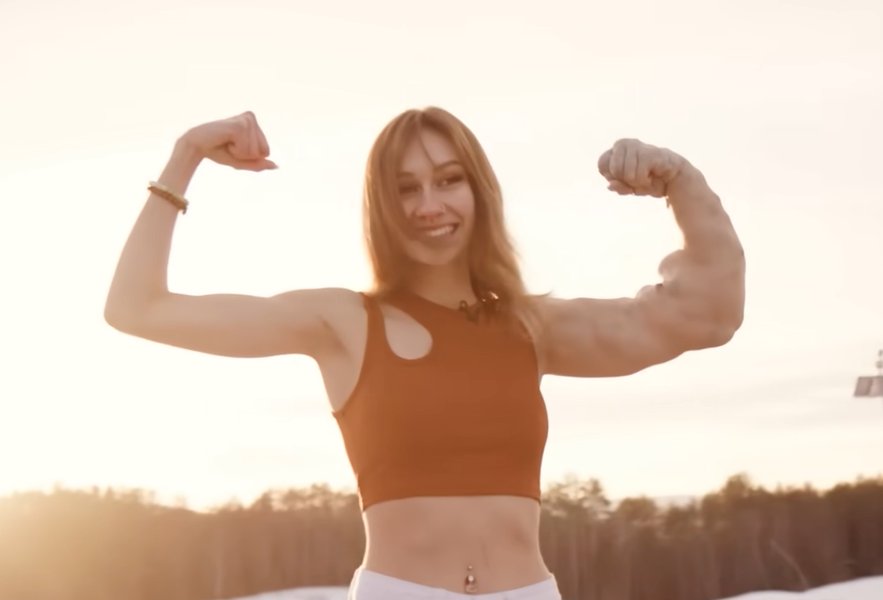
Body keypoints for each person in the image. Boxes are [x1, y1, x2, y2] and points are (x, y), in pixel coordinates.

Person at [105, 107, 745, 599]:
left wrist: (679, 181)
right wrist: (186, 153)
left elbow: (707, 316)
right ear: (382, 206)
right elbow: (137, 309)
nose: (429, 206)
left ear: (478, 191)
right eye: (406, 188)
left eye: (448, 180)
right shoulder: (342, 322)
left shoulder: (529, 327)